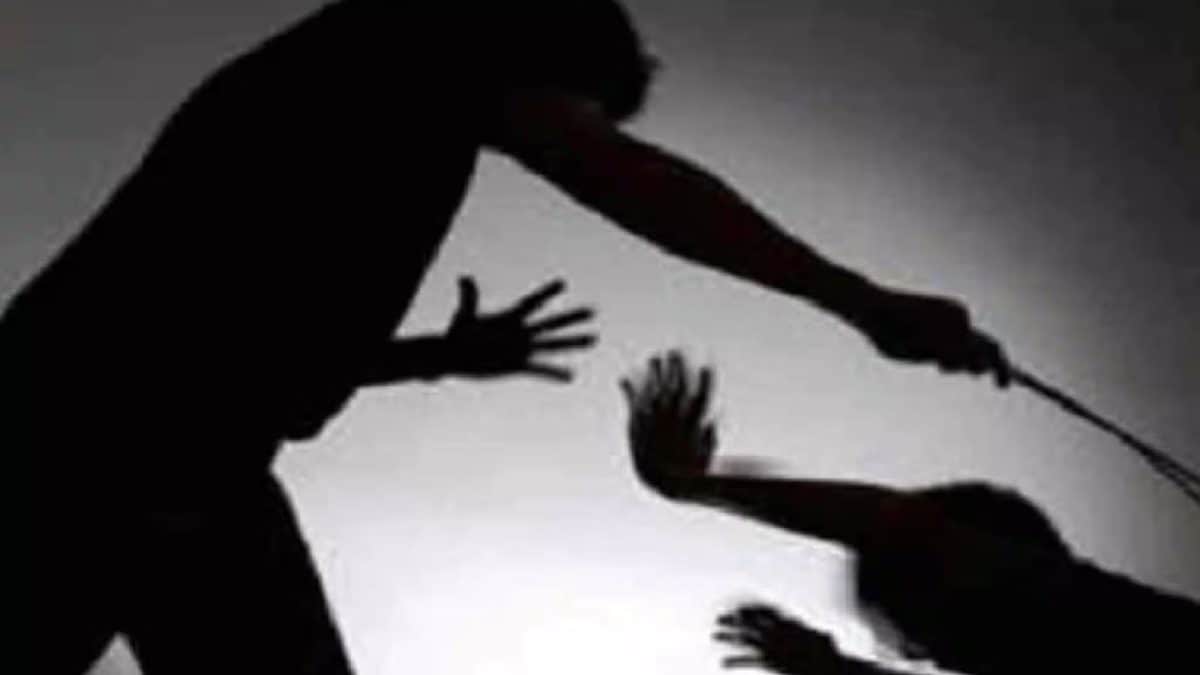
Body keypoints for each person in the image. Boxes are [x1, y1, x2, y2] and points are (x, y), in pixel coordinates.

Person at [10, 0, 1004, 671]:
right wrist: (861, 301)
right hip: (90, 444)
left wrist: (437, 359)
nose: (578, 133)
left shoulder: (356, 112)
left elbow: (227, 340)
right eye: (585, 109)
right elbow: (631, 182)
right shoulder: (432, 35)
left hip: (173, 454)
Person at [621, 351, 1200, 674]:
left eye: (912, 635)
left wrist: (691, 486)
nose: (916, 656)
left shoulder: (1081, 618)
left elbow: (891, 525)